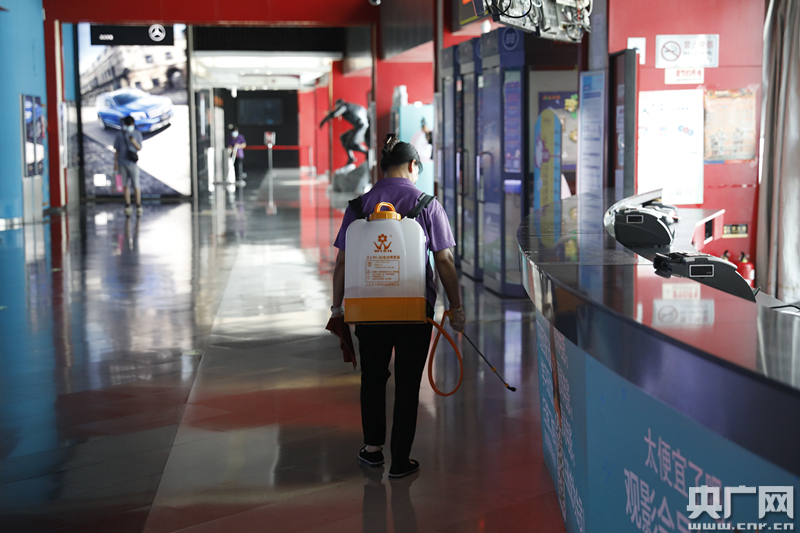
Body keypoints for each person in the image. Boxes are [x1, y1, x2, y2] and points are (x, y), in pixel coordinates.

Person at [329, 134, 466, 478]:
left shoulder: (358, 206)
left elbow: (342, 263)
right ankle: (401, 460)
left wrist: (336, 308)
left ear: (382, 167)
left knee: (373, 378)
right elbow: (445, 261)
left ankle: (373, 450)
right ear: (413, 166)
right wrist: (457, 307)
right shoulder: (427, 204)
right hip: (414, 310)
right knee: (407, 384)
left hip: (367, 309)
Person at [319, 99, 369, 167]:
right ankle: (351, 157)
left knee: (350, 143)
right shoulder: (351, 106)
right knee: (343, 137)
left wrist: (324, 120)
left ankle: (366, 152)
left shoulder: (344, 106)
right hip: (360, 126)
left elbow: (335, 113)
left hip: (362, 126)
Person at [113, 115, 143, 216]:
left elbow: (139, 148)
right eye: (128, 124)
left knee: (136, 185)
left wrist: (133, 141)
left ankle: (138, 205)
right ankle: (128, 205)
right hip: (122, 163)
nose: (129, 126)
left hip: (133, 163)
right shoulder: (120, 135)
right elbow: (117, 150)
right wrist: (115, 163)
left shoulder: (137, 134)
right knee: (125, 185)